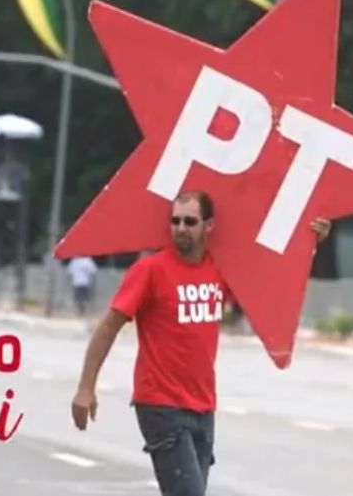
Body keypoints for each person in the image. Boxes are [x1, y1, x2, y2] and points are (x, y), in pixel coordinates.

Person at [70, 190, 331, 496]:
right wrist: (86, 387)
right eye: (175, 221)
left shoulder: (218, 271)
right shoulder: (150, 271)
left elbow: (268, 276)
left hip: (202, 406)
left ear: (208, 225)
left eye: (190, 221)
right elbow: (107, 327)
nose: (180, 228)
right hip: (161, 405)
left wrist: (310, 244)